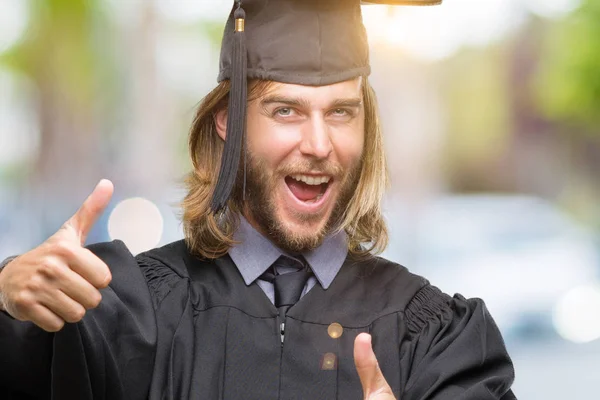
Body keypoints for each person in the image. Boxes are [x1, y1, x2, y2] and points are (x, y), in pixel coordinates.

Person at [0, 0, 516, 399]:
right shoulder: (128, 312)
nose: (318, 145)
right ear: (228, 122)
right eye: (286, 110)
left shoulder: (430, 336)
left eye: (341, 112)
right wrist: (5, 296)